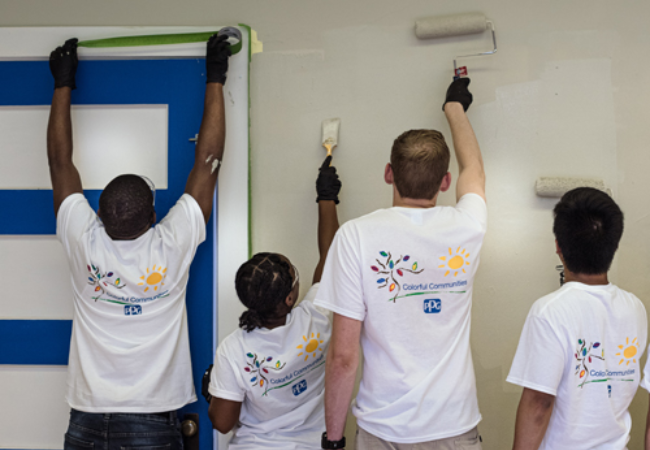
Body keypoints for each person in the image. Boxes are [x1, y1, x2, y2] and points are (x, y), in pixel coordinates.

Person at [48, 35, 231, 449]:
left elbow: (60, 163)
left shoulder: (83, 240)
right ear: (153, 216)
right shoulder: (171, 244)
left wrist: (62, 83)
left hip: (86, 423)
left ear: (96, 214)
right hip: (152, 423)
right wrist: (215, 77)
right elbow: (209, 161)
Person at [315, 78, 486, 449]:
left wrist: (333, 439)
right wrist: (454, 108)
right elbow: (474, 169)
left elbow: (344, 357)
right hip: (454, 429)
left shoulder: (356, 236)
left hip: (384, 432)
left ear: (388, 173)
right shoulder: (468, 227)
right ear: (445, 182)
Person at [206, 155, 342, 449]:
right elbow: (330, 257)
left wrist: (213, 392)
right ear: (290, 297)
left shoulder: (234, 348)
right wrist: (326, 199)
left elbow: (222, 422)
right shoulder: (317, 319)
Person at [508, 187, 647, 450]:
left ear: (558, 246)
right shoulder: (635, 308)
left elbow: (539, 403)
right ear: (614, 245)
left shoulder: (549, 312)